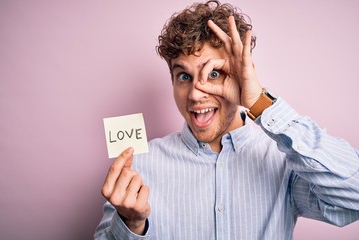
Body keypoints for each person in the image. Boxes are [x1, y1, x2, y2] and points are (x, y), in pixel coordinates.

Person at [94, 1, 359, 239]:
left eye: (214, 74)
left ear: (243, 75)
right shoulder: (141, 164)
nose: (196, 93)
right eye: (184, 76)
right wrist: (132, 224)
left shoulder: (284, 160)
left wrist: (259, 103)